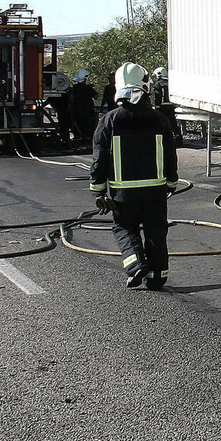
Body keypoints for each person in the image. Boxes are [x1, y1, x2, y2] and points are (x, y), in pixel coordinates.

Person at [89, 62, 178, 290]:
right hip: (155, 191)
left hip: (123, 194)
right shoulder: (159, 119)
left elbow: (100, 160)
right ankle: (157, 277)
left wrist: (98, 190)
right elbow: (170, 153)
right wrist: (171, 182)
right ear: (145, 86)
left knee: (124, 229)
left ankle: (136, 264)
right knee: (156, 231)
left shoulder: (109, 120)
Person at [68, 69, 99, 148]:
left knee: (78, 126)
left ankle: (80, 139)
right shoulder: (88, 88)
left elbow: (71, 98)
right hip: (87, 112)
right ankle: (87, 141)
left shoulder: (74, 88)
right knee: (88, 127)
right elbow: (96, 97)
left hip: (77, 111)